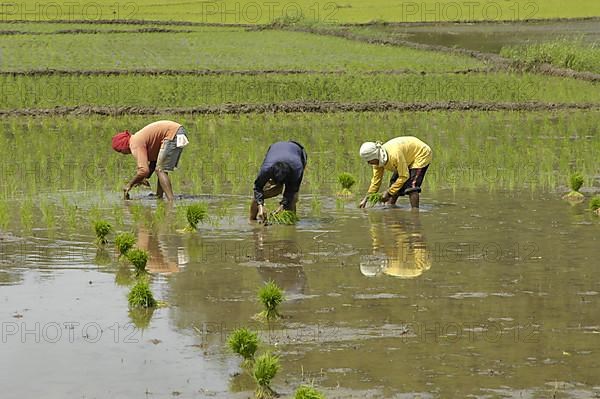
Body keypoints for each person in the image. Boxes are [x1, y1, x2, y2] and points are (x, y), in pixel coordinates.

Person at [112, 120, 189, 201]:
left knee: (160, 170)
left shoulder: (135, 143)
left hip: (173, 133)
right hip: (177, 131)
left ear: (122, 146)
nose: (123, 153)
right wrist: (143, 178)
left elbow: (143, 170)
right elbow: (154, 163)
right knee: (160, 168)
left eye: (120, 151)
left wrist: (129, 185)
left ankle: (171, 201)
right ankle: (159, 196)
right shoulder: (138, 139)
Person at [358, 136, 432, 209]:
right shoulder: (377, 162)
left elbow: (404, 176)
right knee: (394, 183)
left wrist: (389, 193)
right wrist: (367, 197)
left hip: (421, 153)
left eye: (369, 160)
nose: (368, 163)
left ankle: (415, 212)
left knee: (412, 186)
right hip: (406, 156)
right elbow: (376, 181)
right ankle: (390, 206)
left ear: (375, 156)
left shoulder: (394, 155)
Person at [250, 141, 307, 222]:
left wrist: (281, 208)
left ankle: (291, 222)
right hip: (275, 148)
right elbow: (257, 188)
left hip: (298, 150)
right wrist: (260, 207)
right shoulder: (266, 169)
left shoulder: (297, 170)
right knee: (264, 193)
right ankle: (251, 221)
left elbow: (291, 192)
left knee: (293, 198)